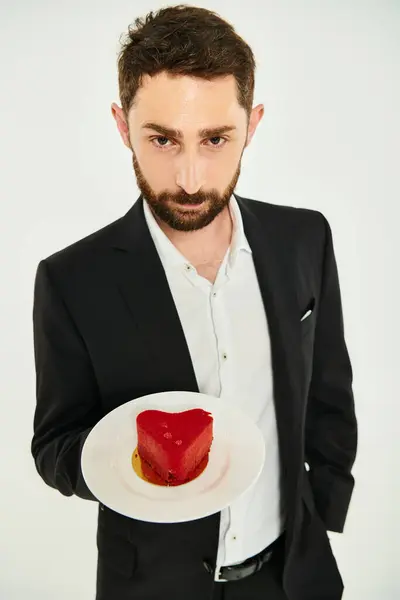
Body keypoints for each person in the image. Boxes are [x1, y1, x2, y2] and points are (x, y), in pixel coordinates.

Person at [31, 5, 358, 600]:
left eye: (215, 139)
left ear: (252, 126)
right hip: (152, 585)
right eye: (161, 138)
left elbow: (330, 391)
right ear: (121, 125)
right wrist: (125, 459)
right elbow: (54, 446)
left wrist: (327, 509)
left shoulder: (304, 239)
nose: (187, 177)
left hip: (292, 577)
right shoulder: (70, 280)